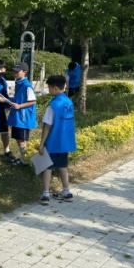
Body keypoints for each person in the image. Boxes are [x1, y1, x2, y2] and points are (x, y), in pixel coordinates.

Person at [39, 75, 76, 205]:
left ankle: (45, 194)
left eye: (49, 87)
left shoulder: (53, 105)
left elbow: (47, 126)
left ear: (55, 88)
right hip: (65, 142)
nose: (48, 90)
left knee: (47, 166)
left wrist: (41, 144)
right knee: (63, 166)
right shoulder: (69, 102)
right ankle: (67, 192)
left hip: (53, 141)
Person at [7, 62, 37, 165]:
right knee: (18, 139)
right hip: (18, 117)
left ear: (25, 72)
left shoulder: (26, 85)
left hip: (23, 118)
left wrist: (19, 106)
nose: (14, 73)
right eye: (14, 71)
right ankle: (24, 159)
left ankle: (25, 161)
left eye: (17, 71)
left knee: (22, 140)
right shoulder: (18, 83)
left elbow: (33, 101)